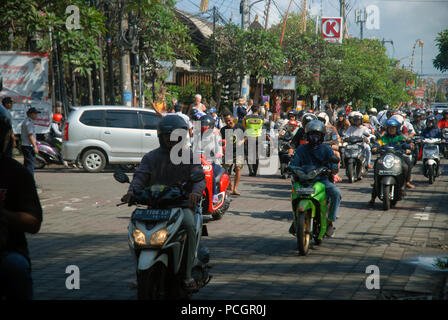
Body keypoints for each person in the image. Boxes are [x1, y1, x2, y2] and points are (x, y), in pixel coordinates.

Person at [121, 115, 206, 290]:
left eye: (175, 135)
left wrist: (195, 193)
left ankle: (188, 273)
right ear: (161, 136)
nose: (171, 139)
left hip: (181, 206)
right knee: (132, 229)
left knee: (190, 226)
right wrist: (131, 192)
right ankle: (138, 273)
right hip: (154, 207)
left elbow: (199, 179)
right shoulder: (151, 157)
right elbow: (140, 176)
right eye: (167, 135)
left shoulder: (190, 157)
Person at [0, 116, 43, 299]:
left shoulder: (16, 173)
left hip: (7, 250)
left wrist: (3, 215)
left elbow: (33, 223)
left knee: (15, 266)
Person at [289, 120, 341, 237]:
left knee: (336, 193)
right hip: (303, 180)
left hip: (321, 180)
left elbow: (333, 163)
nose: (314, 138)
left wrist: (333, 169)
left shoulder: (326, 149)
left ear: (322, 136)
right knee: (294, 193)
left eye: (317, 135)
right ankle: (296, 219)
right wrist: (291, 168)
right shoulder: (301, 149)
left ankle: (329, 222)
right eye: (312, 134)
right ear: (307, 135)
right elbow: (293, 163)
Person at [368, 119, 415, 207]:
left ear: (397, 129)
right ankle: (373, 197)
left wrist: (408, 148)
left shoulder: (400, 138)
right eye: (390, 128)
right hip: (385, 158)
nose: (391, 130)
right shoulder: (383, 138)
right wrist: (374, 148)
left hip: (397, 158)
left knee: (405, 166)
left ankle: (404, 184)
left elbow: (405, 145)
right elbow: (377, 144)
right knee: (376, 165)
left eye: (393, 128)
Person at [220, 113, 246, 196]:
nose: (228, 123)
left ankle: (235, 188)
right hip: (228, 152)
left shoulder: (239, 126)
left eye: (229, 120)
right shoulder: (223, 129)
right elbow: (221, 141)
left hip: (239, 151)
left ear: (232, 119)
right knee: (226, 170)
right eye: (226, 121)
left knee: (238, 168)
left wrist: (242, 141)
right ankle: (230, 187)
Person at [243, 105, 264, 176]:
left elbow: (244, 126)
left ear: (251, 110)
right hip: (258, 137)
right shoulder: (261, 118)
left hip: (249, 137)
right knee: (257, 155)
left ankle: (250, 170)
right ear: (258, 110)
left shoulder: (246, 118)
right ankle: (254, 172)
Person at [20, 108, 40, 179]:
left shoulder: (28, 121)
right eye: (35, 113)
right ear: (30, 114)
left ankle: (25, 181)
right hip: (28, 146)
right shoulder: (28, 122)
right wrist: (35, 146)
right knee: (30, 165)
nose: (36, 115)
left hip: (26, 145)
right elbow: (30, 135)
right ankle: (30, 180)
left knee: (27, 164)